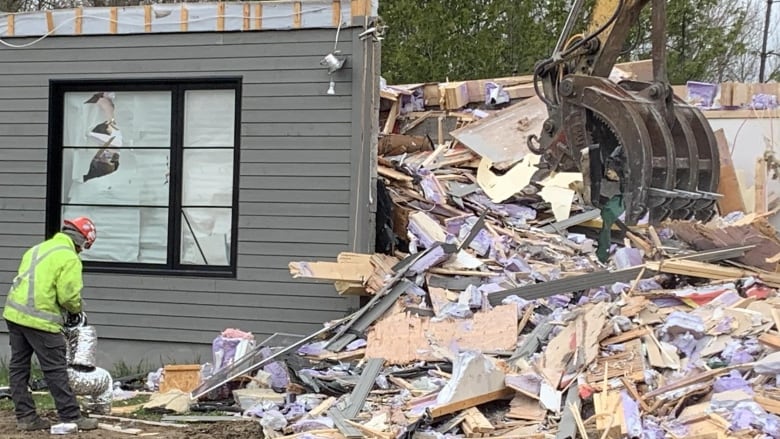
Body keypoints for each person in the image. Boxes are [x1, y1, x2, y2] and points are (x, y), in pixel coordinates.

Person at [3, 217, 100, 431]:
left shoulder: (37, 249)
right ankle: (71, 416)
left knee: (19, 367)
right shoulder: (69, 258)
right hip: (40, 319)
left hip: (14, 314)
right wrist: (77, 311)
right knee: (55, 369)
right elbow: (68, 296)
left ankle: (26, 418)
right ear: (82, 242)